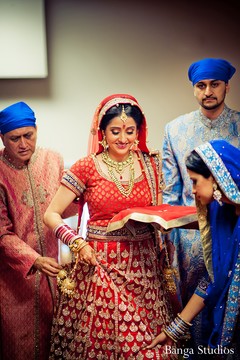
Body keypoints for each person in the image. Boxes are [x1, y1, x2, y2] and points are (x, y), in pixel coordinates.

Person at [43, 93, 178, 359]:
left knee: (152, 348)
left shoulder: (151, 164)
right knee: (111, 347)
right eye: (115, 131)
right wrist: (76, 242)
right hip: (101, 266)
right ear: (102, 131)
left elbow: (159, 213)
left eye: (130, 131)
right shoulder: (86, 167)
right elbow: (52, 214)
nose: (123, 138)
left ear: (138, 131)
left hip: (145, 271)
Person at [162, 58, 240, 350]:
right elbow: (170, 194)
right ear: (194, 89)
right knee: (193, 309)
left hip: (233, 233)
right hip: (189, 241)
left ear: (227, 86)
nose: (208, 91)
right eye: (201, 85)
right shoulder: (175, 130)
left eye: (215, 84)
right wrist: (168, 243)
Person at [146, 139, 240, 359]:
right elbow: (212, 279)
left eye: (196, 181)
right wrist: (174, 330)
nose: (194, 190)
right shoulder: (222, 213)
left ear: (217, 178)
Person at [0, 101, 76, 360]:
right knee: (18, 341)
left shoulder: (53, 160)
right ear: (2, 138)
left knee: (56, 337)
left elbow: (64, 208)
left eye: (28, 135)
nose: (23, 144)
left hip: (54, 271)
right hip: (13, 278)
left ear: (36, 130)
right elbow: (1, 232)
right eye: (14, 138)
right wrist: (34, 260)